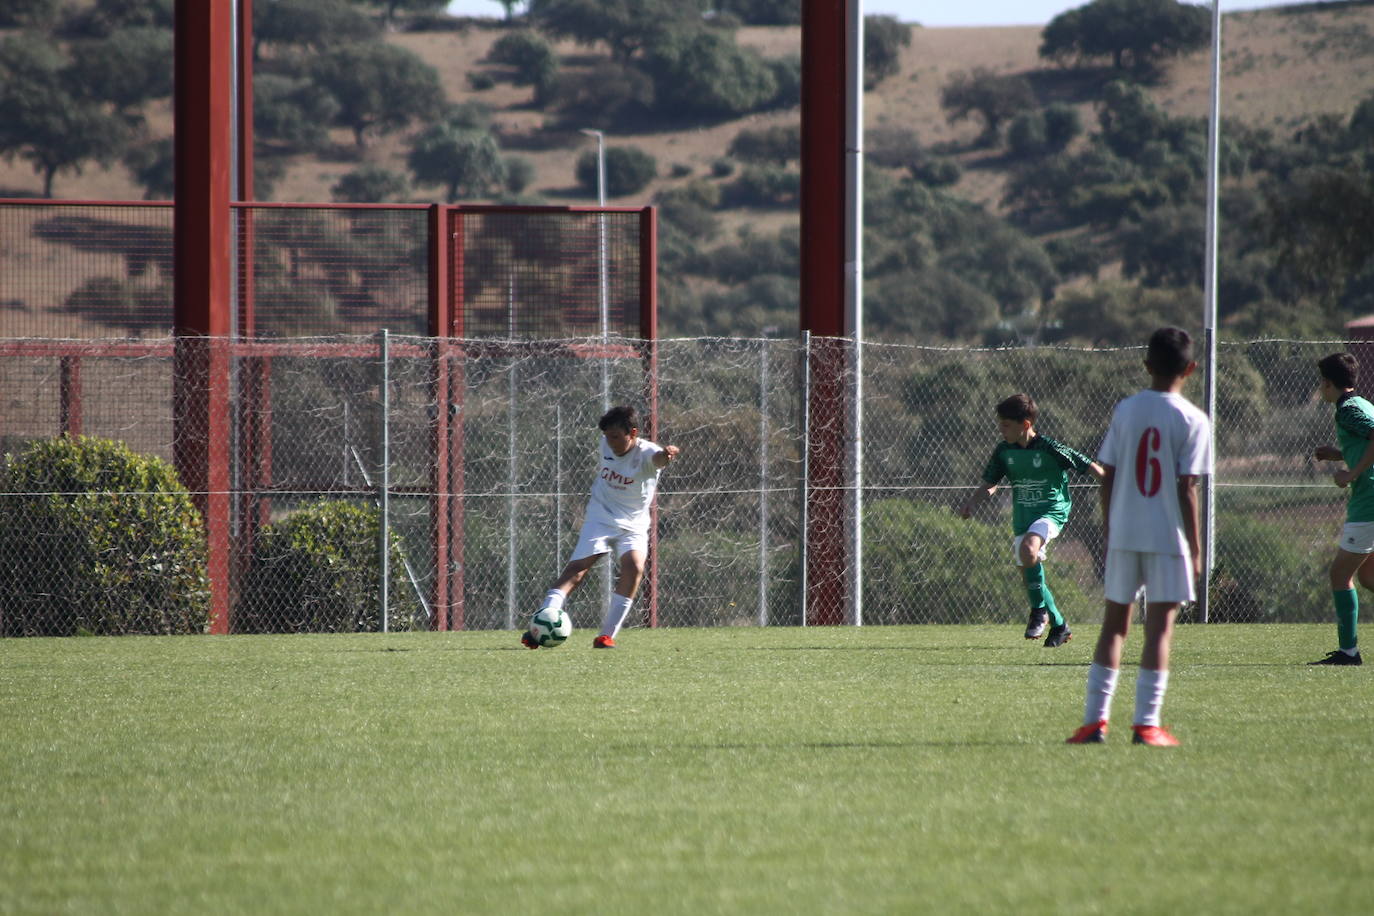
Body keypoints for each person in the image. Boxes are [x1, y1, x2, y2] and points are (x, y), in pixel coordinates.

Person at [1066, 327, 1211, 747]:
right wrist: (1196, 549)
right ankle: (1147, 725)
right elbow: (1187, 487)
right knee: (1159, 631)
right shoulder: (1193, 419)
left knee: (1114, 627)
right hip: (1167, 537)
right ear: (1191, 368)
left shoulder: (1126, 410)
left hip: (1125, 532)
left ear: (1146, 365)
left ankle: (1094, 723)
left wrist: (1111, 525)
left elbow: (1106, 474)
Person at [522, 405, 679, 650]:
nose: (610, 441)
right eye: (607, 436)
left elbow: (659, 460)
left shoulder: (647, 453)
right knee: (577, 571)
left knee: (635, 567)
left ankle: (606, 636)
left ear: (633, 433)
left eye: (616, 436)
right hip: (601, 515)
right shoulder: (606, 443)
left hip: (634, 523)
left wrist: (666, 455)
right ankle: (540, 623)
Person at [958, 393, 1104, 648]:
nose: (1001, 430)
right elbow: (991, 483)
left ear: (1025, 424)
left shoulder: (1050, 448)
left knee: (1028, 550)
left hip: (1051, 512)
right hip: (1023, 518)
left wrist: (1116, 485)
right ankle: (1059, 626)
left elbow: (1089, 466)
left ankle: (1038, 612)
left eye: (1006, 425)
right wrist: (974, 501)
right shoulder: (1004, 451)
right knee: (1030, 576)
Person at [1309, 352, 1374, 666]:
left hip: (1369, 503)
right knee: (1369, 576)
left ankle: (1349, 653)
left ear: (1328, 383)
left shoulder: (1347, 410)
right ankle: (1348, 651)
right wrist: (1337, 454)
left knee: (1339, 574)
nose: (1320, 389)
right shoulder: (1361, 405)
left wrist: (1350, 474)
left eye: (1321, 383)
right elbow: (1365, 443)